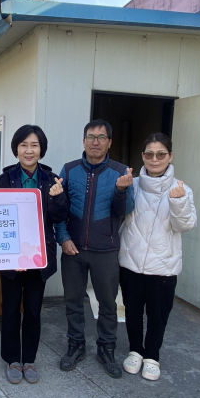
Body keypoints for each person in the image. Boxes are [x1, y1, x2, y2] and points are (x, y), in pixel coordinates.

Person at [55, 119, 134, 379]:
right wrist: (64, 238)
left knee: (108, 304)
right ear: (83, 141)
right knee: (73, 301)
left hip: (106, 251)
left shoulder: (120, 171)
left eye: (101, 137)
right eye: (90, 137)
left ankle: (106, 349)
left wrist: (122, 191)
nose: (95, 142)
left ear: (110, 142)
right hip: (73, 251)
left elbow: (125, 211)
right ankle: (76, 346)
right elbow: (59, 210)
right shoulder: (69, 170)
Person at [0, 125, 69, 384]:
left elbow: (59, 218)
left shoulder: (52, 179)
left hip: (39, 258)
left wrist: (58, 199)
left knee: (34, 310)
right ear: (16, 148)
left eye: (34, 145)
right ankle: (13, 359)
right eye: (24, 145)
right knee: (12, 309)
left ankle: (30, 359)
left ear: (41, 150)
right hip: (11, 257)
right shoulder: (4, 180)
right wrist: (16, 257)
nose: (29, 150)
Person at [118, 133, 196, 381]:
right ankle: (135, 351)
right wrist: (122, 189)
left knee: (158, 314)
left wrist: (179, 202)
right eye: (149, 154)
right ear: (143, 156)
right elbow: (120, 213)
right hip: (131, 262)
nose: (155, 159)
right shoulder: (133, 184)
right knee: (132, 311)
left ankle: (152, 356)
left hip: (163, 266)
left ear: (170, 156)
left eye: (161, 154)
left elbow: (185, 225)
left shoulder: (181, 190)